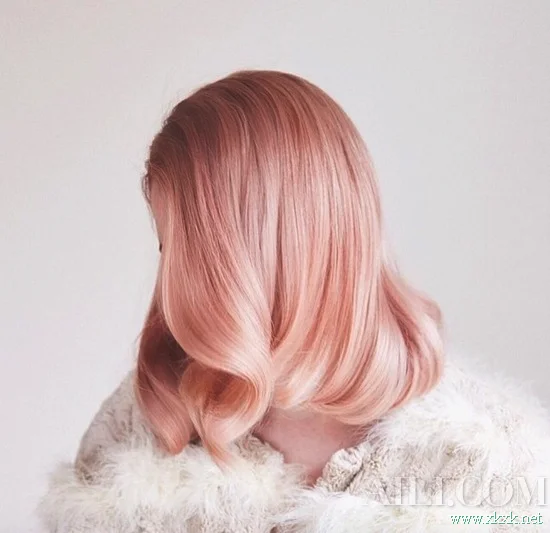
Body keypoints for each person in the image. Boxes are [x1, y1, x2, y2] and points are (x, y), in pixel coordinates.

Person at [39, 70, 549, 532]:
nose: (170, 282)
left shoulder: (484, 460)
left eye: (186, 252)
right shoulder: (146, 420)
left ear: (260, 254)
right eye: (166, 248)